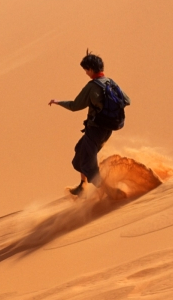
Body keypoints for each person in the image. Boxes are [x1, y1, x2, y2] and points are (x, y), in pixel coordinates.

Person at [48, 51, 130, 196]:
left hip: (95, 131)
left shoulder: (92, 86)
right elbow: (127, 100)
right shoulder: (111, 82)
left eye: (86, 69)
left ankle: (111, 191)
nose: (86, 72)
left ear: (91, 69)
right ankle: (82, 185)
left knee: (88, 164)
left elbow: (75, 106)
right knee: (80, 151)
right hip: (107, 129)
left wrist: (58, 102)